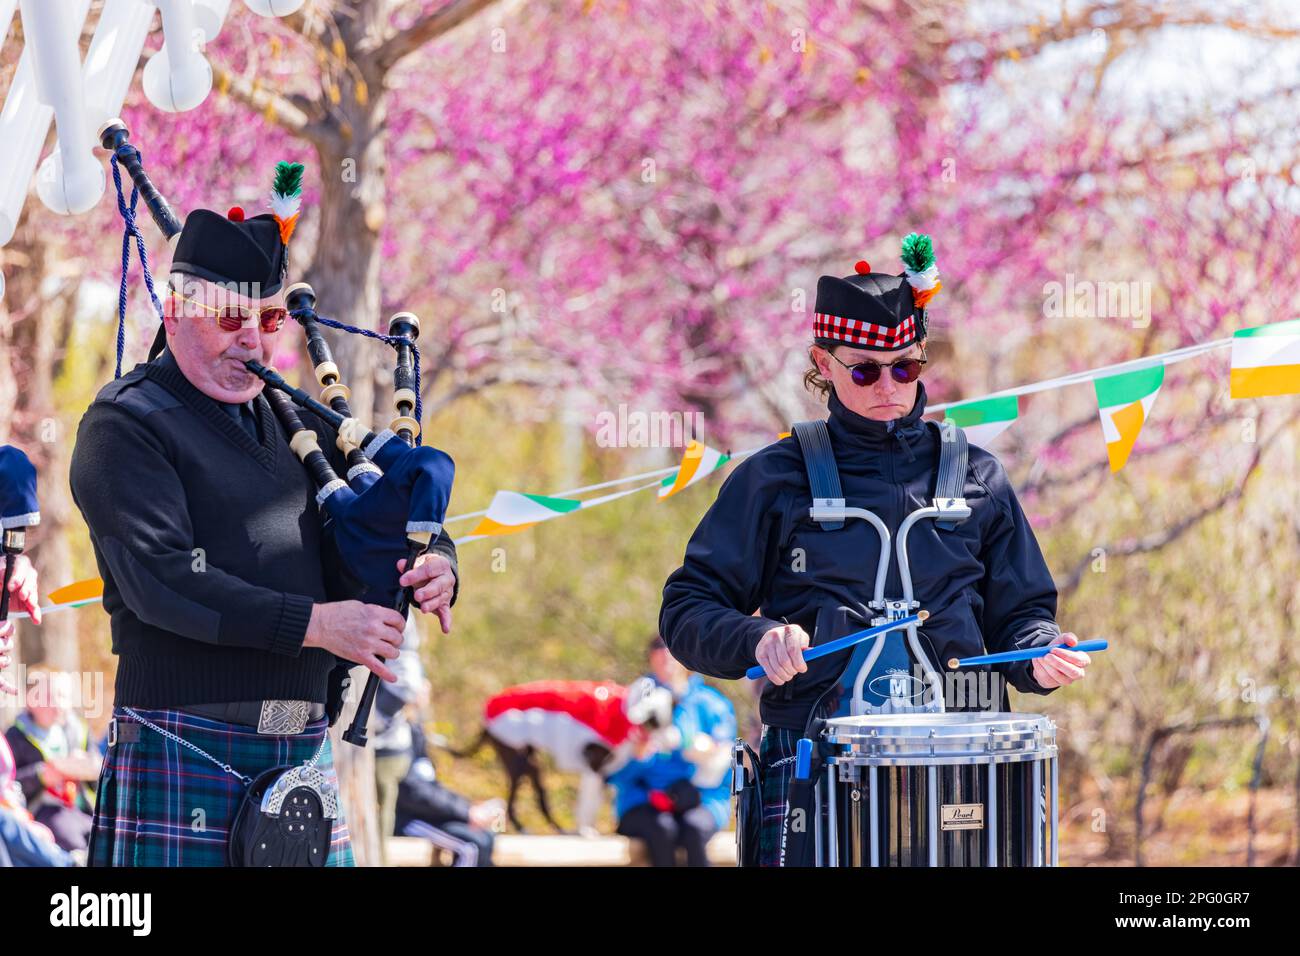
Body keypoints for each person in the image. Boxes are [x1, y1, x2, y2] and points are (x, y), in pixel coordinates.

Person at [659, 235, 1092, 866]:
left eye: (906, 368)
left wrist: (1038, 655)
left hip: (962, 764)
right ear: (823, 363)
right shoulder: (773, 478)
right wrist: (758, 638)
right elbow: (686, 611)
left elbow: (1022, 614)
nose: (889, 386)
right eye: (864, 369)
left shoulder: (979, 476)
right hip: (813, 764)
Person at [68, 173, 459, 867]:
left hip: (302, 748)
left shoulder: (299, 420)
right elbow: (164, 581)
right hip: (182, 743)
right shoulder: (126, 425)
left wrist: (436, 559)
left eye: (269, 320)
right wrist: (317, 624)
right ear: (176, 308)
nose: (252, 342)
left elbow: (386, 501)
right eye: (228, 319)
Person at [607, 637, 735, 866]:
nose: (666, 658)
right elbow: (613, 772)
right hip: (644, 801)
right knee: (662, 828)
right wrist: (639, 756)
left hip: (701, 800)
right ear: (650, 659)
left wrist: (705, 753)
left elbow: (725, 765)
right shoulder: (635, 700)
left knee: (693, 829)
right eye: (658, 652)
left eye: (672, 652)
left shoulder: (711, 703)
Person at [4, 666, 100, 853]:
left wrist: (90, 767)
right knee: (71, 840)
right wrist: (40, 775)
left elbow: (99, 772)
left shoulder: (76, 729)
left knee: (103, 839)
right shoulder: (15, 736)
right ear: (29, 701)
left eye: (62, 696)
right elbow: (8, 786)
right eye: (48, 697)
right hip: (43, 811)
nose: (57, 704)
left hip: (81, 808)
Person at [395, 722, 501, 867]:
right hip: (409, 818)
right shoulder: (399, 735)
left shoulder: (415, 731)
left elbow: (434, 787)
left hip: (431, 813)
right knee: (470, 847)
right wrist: (466, 813)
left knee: (487, 836)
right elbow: (412, 792)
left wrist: (469, 809)